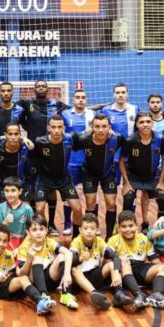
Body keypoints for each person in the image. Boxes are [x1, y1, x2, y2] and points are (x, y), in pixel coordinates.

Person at [107, 210, 164, 310]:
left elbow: (154, 259)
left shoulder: (144, 239)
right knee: (125, 263)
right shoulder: (113, 240)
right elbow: (107, 262)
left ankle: (157, 295)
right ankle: (139, 294)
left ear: (136, 226)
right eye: (124, 226)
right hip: (123, 272)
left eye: (131, 226)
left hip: (140, 268)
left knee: (162, 269)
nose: (128, 229)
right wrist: (117, 261)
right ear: (119, 228)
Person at [71, 113, 123, 239]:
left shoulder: (117, 139)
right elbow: (71, 140)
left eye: (104, 126)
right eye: (97, 126)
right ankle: (90, 233)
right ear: (92, 127)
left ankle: (109, 236)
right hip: (90, 174)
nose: (100, 130)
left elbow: (128, 148)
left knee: (111, 203)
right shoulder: (84, 139)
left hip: (107, 173)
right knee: (90, 203)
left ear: (109, 127)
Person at [119, 112, 164, 233]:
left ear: (152, 123)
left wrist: (161, 181)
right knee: (128, 197)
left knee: (162, 197)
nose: (145, 125)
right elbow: (121, 161)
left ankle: (159, 227)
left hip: (152, 176)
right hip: (134, 177)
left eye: (148, 121)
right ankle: (128, 228)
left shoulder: (160, 139)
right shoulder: (130, 141)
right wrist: (126, 182)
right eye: (142, 122)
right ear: (137, 124)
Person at [33, 115, 83, 237]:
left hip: (64, 179)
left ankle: (76, 237)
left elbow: (87, 135)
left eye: (59, 127)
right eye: (53, 127)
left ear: (64, 128)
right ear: (48, 128)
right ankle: (43, 234)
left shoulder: (70, 139)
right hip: (44, 180)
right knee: (39, 209)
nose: (56, 130)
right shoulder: (40, 141)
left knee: (77, 209)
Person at [16, 215, 75, 313]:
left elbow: (68, 253)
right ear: (28, 232)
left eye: (41, 229)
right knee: (37, 259)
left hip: (50, 280)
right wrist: (29, 259)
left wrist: (67, 274)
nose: (38, 232)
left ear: (46, 231)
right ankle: (44, 296)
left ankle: (66, 294)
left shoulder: (50, 242)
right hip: (34, 282)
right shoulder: (24, 247)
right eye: (34, 230)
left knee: (62, 256)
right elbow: (22, 275)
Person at [68, 213, 122, 310]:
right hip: (79, 279)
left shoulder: (100, 241)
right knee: (74, 270)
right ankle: (94, 293)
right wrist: (79, 259)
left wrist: (117, 271)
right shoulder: (76, 241)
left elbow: (115, 257)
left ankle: (119, 294)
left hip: (95, 275)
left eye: (92, 229)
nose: (89, 231)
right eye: (86, 228)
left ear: (97, 230)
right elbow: (70, 261)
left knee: (111, 264)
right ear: (80, 230)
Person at [62, 89, 95, 233]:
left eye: (83, 97)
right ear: (73, 100)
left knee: (92, 195)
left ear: (87, 100)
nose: (80, 100)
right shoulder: (65, 114)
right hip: (71, 161)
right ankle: (68, 224)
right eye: (77, 97)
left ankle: (91, 225)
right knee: (68, 195)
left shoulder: (92, 114)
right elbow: (61, 134)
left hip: (89, 160)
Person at [0, 123, 32, 204]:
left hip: (22, 184)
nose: (13, 137)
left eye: (16, 134)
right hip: (4, 185)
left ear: (20, 135)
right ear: (5, 135)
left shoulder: (27, 147)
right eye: (10, 134)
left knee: (26, 211)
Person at [0, 177, 34, 250]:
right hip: (3, 246)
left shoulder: (28, 209)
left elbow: (31, 233)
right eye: (7, 191)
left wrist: (21, 248)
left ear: (20, 191)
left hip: (22, 247)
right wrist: (5, 223)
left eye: (13, 190)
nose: (10, 194)